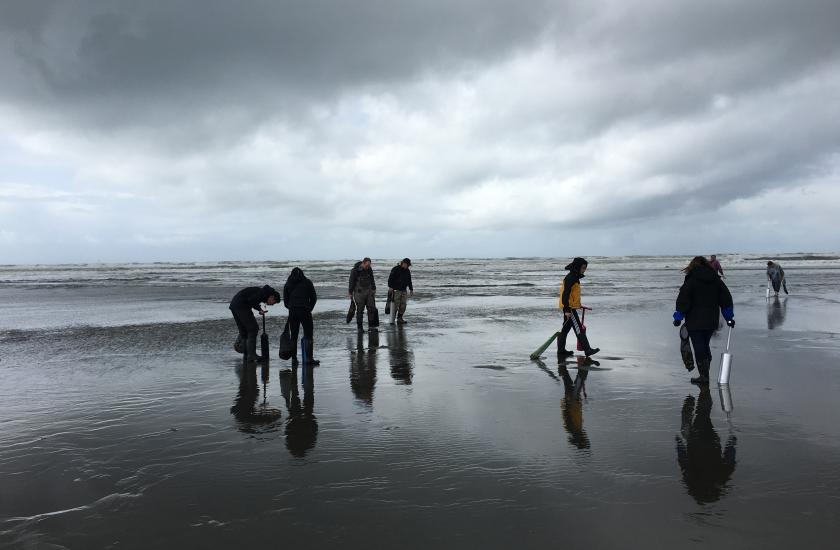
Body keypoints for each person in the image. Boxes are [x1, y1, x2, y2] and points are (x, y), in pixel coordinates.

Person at [673, 256, 735, 385]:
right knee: (704, 345)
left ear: (692, 266)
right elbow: (726, 299)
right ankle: (705, 372)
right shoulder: (716, 280)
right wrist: (729, 318)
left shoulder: (691, 280)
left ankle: (704, 376)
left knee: (699, 346)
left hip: (694, 320)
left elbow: (683, 300)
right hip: (711, 320)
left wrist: (678, 318)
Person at [557, 257, 600, 357]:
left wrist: (578, 305)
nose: (584, 270)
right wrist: (567, 309)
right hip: (569, 308)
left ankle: (561, 350)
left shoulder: (574, 277)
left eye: (585, 268)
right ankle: (587, 349)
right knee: (578, 328)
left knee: (565, 329)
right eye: (583, 267)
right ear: (577, 267)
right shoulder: (571, 278)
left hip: (570, 307)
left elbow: (573, 294)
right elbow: (565, 294)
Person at [229, 285, 280, 363]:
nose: (272, 304)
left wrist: (259, 309)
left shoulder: (263, 292)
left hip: (235, 305)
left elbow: (252, 300)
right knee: (253, 329)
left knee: (245, 331)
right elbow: (251, 300)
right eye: (274, 302)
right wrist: (259, 309)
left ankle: (246, 354)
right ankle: (251, 355)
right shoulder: (263, 293)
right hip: (241, 306)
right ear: (272, 297)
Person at [283, 267, 319, 366]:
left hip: (293, 311)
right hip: (305, 310)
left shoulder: (288, 283)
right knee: (308, 335)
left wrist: (291, 307)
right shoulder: (307, 282)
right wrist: (309, 308)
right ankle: (309, 359)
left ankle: (294, 359)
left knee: (294, 336)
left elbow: (285, 301)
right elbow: (314, 298)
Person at [349, 257, 378, 332]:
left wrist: (374, 288)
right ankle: (360, 328)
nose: (368, 267)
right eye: (367, 265)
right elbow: (351, 281)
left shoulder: (369, 269)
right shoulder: (355, 270)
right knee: (360, 310)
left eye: (369, 265)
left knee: (371, 309)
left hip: (369, 292)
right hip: (359, 293)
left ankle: (371, 327)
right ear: (363, 263)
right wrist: (350, 292)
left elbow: (372, 279)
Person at [387, 258, 414, 324]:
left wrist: (411, 289)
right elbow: (390, 278)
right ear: (403, 263)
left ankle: (400, 318)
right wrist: (390, 287)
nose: (408, 267)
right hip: (396, 290)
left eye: (408, 266)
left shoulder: (407, 271)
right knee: (395, 306)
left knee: (403, 305)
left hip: (404, 290)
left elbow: (409, 280)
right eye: (407, 265)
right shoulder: (395, 269)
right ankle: (392, 319)